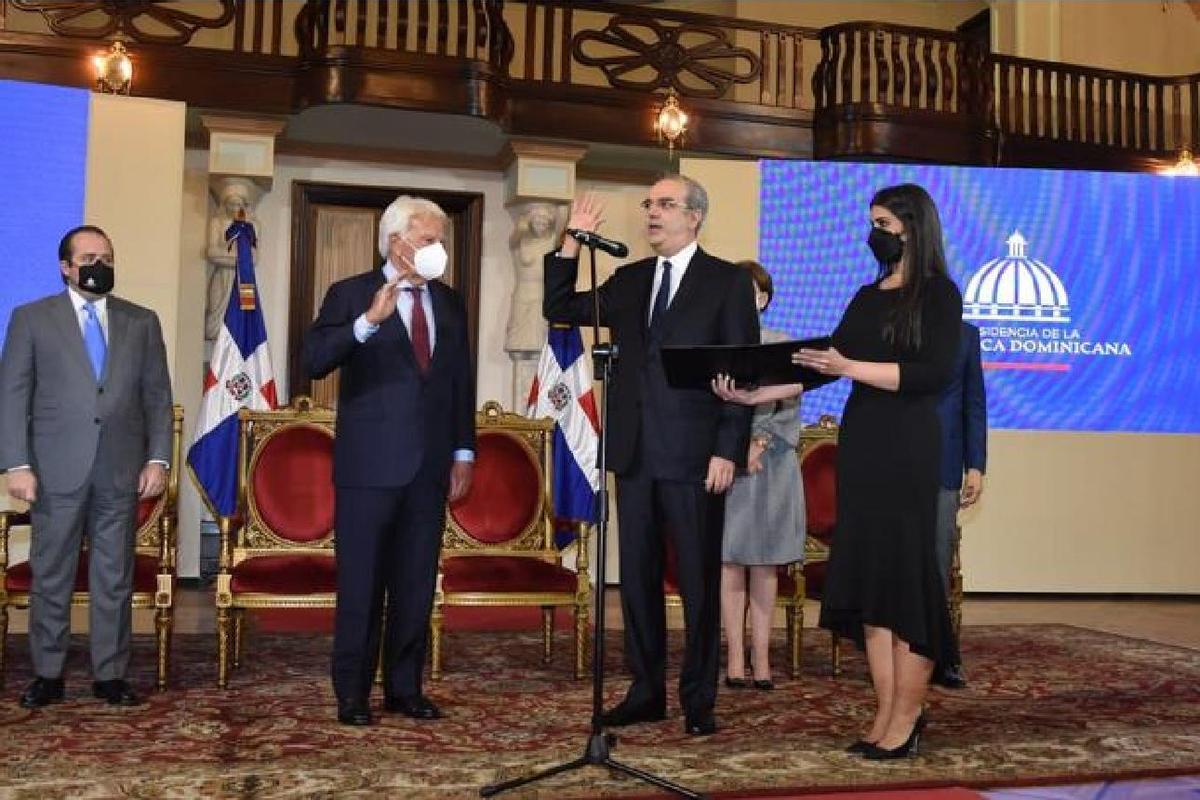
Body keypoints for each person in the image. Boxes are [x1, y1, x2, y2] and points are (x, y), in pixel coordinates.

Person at [543, 174, 759, 736]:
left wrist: (727, 449)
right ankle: (646, 691)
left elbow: (742, 372)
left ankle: (699, 699)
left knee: (697, 583)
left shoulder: (726, 282)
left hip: (695, 457)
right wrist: (572, 240)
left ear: (695, 217)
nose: (652, 213)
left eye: (665, 204)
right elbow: (559, 304)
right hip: (634, 453)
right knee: (635, 580)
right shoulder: (632, 278)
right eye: (648, 204)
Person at [792, 184, 962, 759]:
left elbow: (931, 374)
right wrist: (754, 392)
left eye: (883, 222)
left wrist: (852, 366)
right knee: (870, 581)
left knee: (906, 580)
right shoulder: (866, 295)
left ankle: (909, 714)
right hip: (862, 446)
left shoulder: (940, 295)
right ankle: (886, 711)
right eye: (871, 222)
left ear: (912, 227)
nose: (875, 232)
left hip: (909, 447)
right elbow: (825, 363)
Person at [303, 196, 475, 727]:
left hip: (428, 470)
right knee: (360, 586)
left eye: (441, 241)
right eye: (429, 240)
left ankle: (405, 688)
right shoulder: (351, 293)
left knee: (415, 584)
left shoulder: (448, 302)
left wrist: (463, 451)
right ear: (396, 241)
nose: (438, 250)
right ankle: (352, 694)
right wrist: (367, 323)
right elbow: (313, 360)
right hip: (368, 470)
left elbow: (459, 382)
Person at [0, 224, 173, 708]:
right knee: (51, 571)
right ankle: (48, 674)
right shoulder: (32, 319)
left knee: (113, 574)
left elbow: (158, 397)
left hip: (119, 469)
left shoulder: (141, 321)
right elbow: (12, 396)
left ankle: (110, 674)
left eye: (108, 256)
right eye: (90, 257)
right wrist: (16, 463)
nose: (101, 265)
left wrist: (157, 457)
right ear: (66, 267)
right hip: (54, 469)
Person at [709, 261, 805, 691]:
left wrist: (759, 442)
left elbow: (791, 401)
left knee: (765, 565)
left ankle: (763, 658)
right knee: (729, 562)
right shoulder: (718, 345)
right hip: (726, 464)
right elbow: (708, 408)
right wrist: (734, 446)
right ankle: (733, 656)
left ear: (763, 299)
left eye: (748, 292)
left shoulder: (782, 344)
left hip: (773, 465)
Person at [932, 321, 987, 689]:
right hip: (897, 467)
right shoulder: (897, 328)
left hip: (945, 467)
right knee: (898, 564)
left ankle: (942, 656)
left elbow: (973, 403)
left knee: (937, 565)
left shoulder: (965, 335)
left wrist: (976, 466)